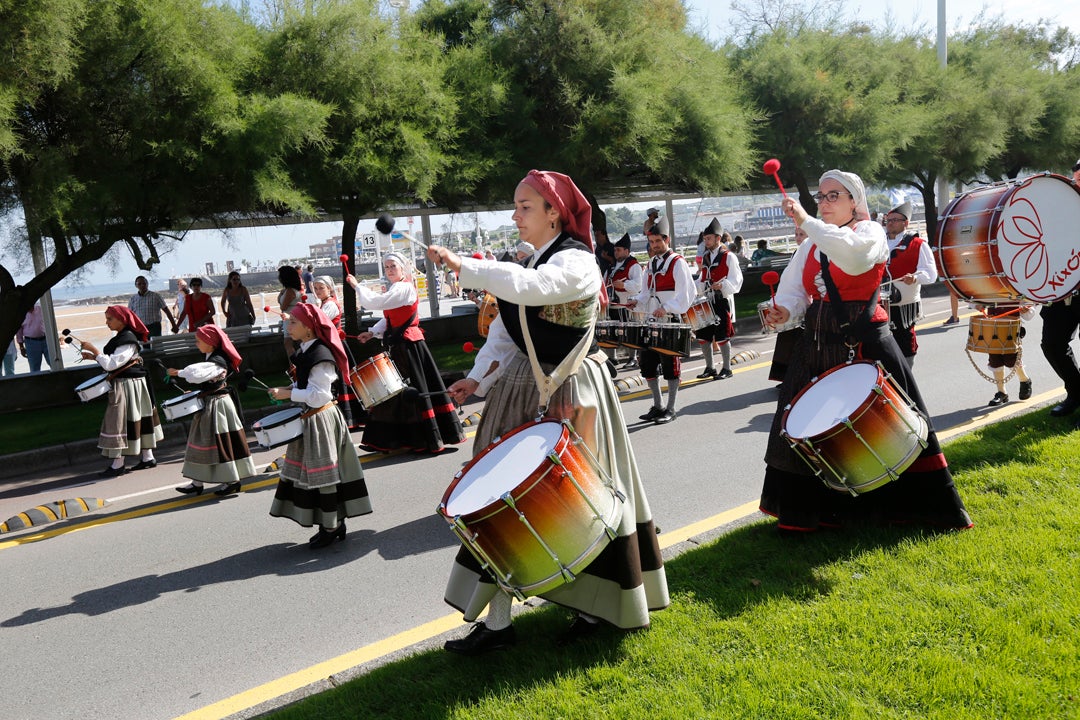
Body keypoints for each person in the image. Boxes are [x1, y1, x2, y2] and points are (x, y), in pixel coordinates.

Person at [429, 169, 668, 654]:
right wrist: (478, 378)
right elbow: (505, 331)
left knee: (578, 500)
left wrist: (467, 266)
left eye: (524, 207)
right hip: (521, 389)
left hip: (573, 390)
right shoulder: (530, 261)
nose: (515, 216)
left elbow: (533, 288)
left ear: (554, 212)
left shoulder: (576, 263)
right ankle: (497, 624)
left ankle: (593, 608)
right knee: (502, 504)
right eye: (515, 207)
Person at [760, 169, 972, 532]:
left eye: (833, 196)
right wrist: (783, 312)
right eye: (821, 196)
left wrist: (807, 221)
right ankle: (813, 514)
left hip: (866, 340)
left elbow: (855, 259)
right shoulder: (811, 243)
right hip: (815, 342)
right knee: (804, 426)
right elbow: (795, 293)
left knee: (886, 427)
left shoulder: (869, 232)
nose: (824, 203)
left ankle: (904, 510)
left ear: (854, 202)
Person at [266, 304, 372, 549]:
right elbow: (309, 388)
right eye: (289, 321)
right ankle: (330, 523)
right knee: (313, 475)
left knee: (324, 475)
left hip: (321, 419)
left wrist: (288, 395)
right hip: (312, 419)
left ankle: (332, 526)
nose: (287, 325)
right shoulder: (306, 350)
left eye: (293, 322)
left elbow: (320, 396)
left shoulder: (320, 355)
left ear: (309, 328)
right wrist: (290, 390)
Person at [346, 254, 465, 453]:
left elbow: (377, 302)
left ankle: (421, 440)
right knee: (395, 390)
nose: (390, 269)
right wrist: (372, 333)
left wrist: (357, 287)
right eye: (386, 267)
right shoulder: (396, 288)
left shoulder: (404, 287)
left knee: (407, 391)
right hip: (400, 345)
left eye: (393, 266)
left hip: (410, 346)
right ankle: (390, 440)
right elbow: (390, 317)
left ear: (402, 269)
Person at [169, 326, 256, 496]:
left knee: (220, 442)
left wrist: (177, 372)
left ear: (210, 343)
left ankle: (231, 480)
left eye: (198, 340)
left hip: (218, 405)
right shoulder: (211, 358)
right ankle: (197, 481)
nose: (196, 344)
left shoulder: (218, 360)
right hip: (209, 403)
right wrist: (197, 392)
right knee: (199, 442)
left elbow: (196, 374)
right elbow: (204, 380)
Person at [78, 307, 163, 477]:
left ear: (122, 320)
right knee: (135, 419)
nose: (107, 322)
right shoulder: (123, 338)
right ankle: (147, 457)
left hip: (129, 384)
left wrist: (95, 351)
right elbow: (114, 362)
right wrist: (94, 357)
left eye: (110, 319)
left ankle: (118, 464)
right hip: (132, 384)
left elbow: (111, 365)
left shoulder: (128, 340)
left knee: (121, 421)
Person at [628, 216, 696, 423]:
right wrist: (635, 302)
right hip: (651, 322)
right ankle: (657, 405)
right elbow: (646, 293)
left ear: (667, 240)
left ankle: (671, 408)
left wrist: (666, 308)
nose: (655, 246)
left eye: (658, 241)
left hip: (670, 321)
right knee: (647, 364)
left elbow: (687, 294)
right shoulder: (650, 263)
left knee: (670, 366)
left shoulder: (678, 262)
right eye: (651, 242)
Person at [1040, 158, 1080, 420]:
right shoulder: (1061, 209)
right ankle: (1076, 392)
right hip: (1063, 288)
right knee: (1052, 344)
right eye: (1077, 180)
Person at [883, 201, 937, 366]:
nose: (890, 223)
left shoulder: (918, 244)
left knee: (904, 340)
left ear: (905, 223)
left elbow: (930, 274)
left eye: (894, 220)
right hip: (879, 303)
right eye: (888, 220)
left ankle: (906, 374)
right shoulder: (878, 242)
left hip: (903, 305)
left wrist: (915, 278)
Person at [312, 275, 365, 430]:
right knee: (337, 380)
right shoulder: (323, 304)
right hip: (331, 345)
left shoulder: (330, 305)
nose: (318, 291)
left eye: (321, 288)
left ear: (329, 288)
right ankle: (346, 418)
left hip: (337, 346)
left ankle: (351, 418)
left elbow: (318, 324)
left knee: (342, 379)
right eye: (315, 288)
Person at [694, 217, 743, 379]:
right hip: (708, 300)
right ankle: (710, 367)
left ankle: (727, 368)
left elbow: (737, 279)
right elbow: (702, 278)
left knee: (722, 335)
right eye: (704, 239)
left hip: (722, 300)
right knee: (703, 335)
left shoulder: (729, 256)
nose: (706, 241)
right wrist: (697, 288)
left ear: (718, 238)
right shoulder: (706, 257)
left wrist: (723, 285)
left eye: (708, 238)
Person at [970, 304, 1035, 406]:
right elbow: (977, 295)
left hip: (1012, 326)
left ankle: (1024, 380)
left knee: (1012, 359)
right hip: (992, 325)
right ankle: (1002, 392)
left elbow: (1028, 303)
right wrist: (977, 304)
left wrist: (1025, 309)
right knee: (995, 359)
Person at [767, 224, 808, 383]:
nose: (798, 238)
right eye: (796, 234)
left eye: (801, 234)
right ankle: (786, 377)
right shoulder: (796, 253)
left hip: (806, 303)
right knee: (787, 342)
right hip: (794, 303)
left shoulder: (811, 251)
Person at [606, 233, 643, 369]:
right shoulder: (612, 266)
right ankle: (612, 358)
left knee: (629, 331)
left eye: (619, 250)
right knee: (611, 331)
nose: (616, 253)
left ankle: (633, 358)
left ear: (627, 251)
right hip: (613, 304)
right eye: (615, 250)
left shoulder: (634, 266)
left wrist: (624, 285)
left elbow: (639, 285)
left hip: (626, 304)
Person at [276, 265, 303, 360]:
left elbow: (283, 306)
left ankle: (294, 365)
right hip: (292, 317)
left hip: (290, 318)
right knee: (299, 342)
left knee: (288, 343)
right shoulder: (292, 290)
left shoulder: (290, 291)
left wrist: (280, 296)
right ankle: (297, 364)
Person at [16, 303, 51, 374]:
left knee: (54, 363)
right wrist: (21, 347)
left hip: (46, 340)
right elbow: (19, 331)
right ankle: (37, 384)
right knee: (34, 368)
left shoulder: (40, 308)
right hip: (31, 342)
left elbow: (49, 321)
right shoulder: (20, 313)